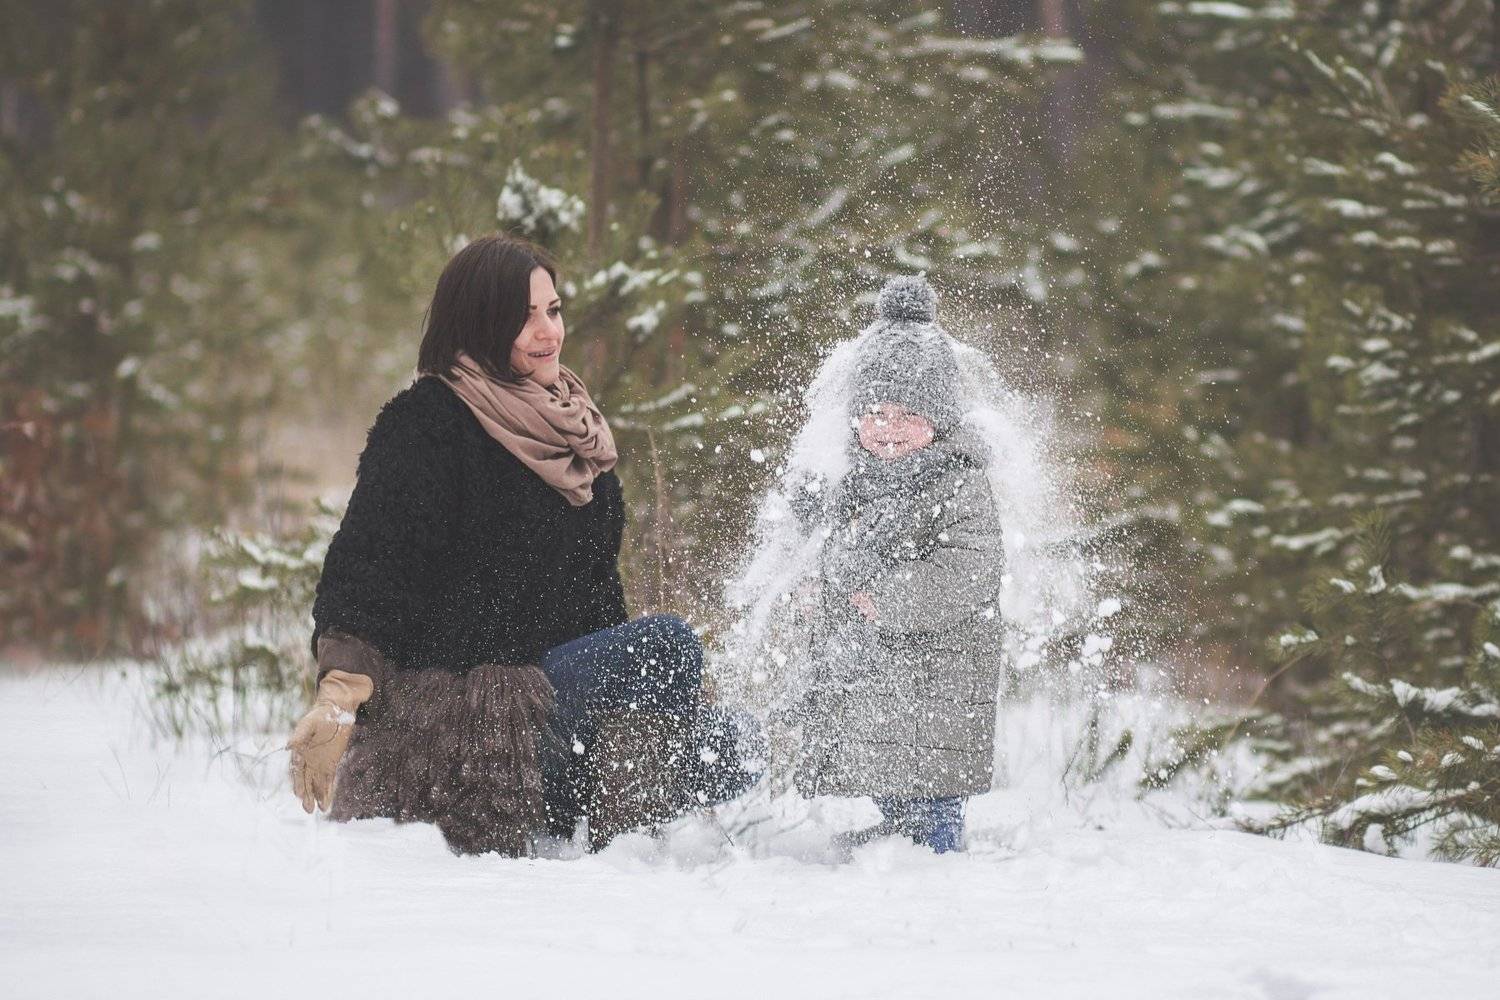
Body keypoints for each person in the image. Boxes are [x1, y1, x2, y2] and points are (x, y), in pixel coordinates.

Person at [285, 234, 753, 855]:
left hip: (556, 713)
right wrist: (340, 694)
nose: (548, 331)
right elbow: (367, 571)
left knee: (738, 744)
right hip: (467, 728)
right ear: (479, 323)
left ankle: (606, 822)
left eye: (553, 310)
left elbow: (598, 609)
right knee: (670, 647)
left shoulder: (577, 441)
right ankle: (609, 821)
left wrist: (620, 712)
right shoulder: (428, 424)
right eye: (523, 316)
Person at [791, 275, 1006, 854]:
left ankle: (935, 844)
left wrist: (892, 597)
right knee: (886, 760)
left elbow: (970, 567)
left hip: (941, 664)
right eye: (877, 413)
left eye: (909, 415)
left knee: (930, 773)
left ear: (939, 421)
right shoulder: (853, 479)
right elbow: (831, 550)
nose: (889, 429)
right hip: (884, 663)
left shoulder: (958, 480)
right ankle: (900, 830)